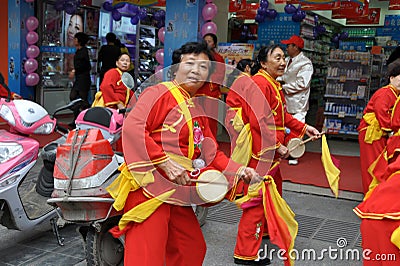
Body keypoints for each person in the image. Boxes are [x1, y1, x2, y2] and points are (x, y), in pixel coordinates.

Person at [107, 42, 261, 265]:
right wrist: (165, 163)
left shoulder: (197, 106)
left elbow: (211, 152)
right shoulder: (158, 92)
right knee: (146, 256)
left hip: (177, 190)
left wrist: (240, 170)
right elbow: (133, 127)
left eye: (202, 67)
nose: (195, 70)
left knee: (191, 247)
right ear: (175, 69)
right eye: (189, 63)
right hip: (150, 186)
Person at [227, 44, 320, 265]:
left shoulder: (272, 84)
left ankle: (267, 230)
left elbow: (283, 116)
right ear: (262, 62)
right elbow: (258, 120)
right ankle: (246, 253)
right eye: (276, 58)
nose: (282, 62)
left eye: (283, 58)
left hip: (269, 150)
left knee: (274, 191)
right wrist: (278, 145)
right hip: (263, 151)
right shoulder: (260, 83)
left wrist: (304, 128)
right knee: (257, 201)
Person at [354, 99, 400, 265]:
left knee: (375, 170)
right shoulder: (386, 93)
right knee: (371, 168)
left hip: (378, 215)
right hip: (378, 134)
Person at [357, 58, 400, 194]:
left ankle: (374, 195)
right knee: (374, 165)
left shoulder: (394, 94)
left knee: (377, 164)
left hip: (379, 133)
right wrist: (390, 131)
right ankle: (371, 196)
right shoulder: (386, 93)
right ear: (392, 78)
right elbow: (382, 113)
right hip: (373, 133)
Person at [279, 35, 314, 165]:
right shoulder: (287, 60)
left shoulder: (305, 63)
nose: (286, 48)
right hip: (286, 100)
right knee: (285, 127)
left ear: (295, 47)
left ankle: (294, 154)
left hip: (298, 102)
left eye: (289, 45)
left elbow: (302, 83)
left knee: (297, 129)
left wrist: (284, 87)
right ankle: (286, 152)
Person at [196, 33, 226, 138]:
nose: (207, 43)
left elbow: (220, 75)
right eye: (205, 41)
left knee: (210, 120)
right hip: (197, 92)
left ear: (214, 44)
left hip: (211, 93)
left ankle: (211, 143)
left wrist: (206, 78)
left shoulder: (218, 58)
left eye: (209, 41)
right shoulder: (198, 56)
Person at [68, 32, 91, 126]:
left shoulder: (84, 51)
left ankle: (85, 119)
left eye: (75, 39)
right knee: (73, 97)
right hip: (79, 78)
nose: (74, 40)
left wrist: (74, 70)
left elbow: (85, 66)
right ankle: (77, 119)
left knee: (82, 99)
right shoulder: (78, 51)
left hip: (83, 79)